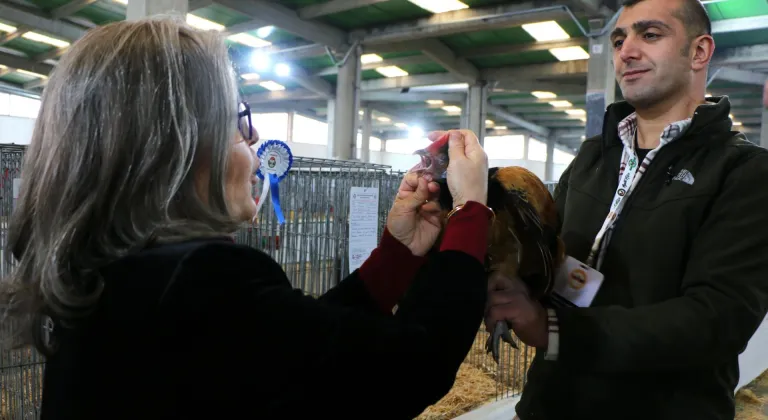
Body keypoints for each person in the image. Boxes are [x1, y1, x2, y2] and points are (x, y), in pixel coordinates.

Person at [0, 17, 495, 420]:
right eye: (240, 123)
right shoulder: (202, 280)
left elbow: (302, 347)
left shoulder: (106, 275)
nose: (254, 141)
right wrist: (470, 213)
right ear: (182, 148)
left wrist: (396, 253)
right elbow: (408, 367)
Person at [484, 0, 768, 419]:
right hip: (551, 402)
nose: (626, 51)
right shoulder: (592, 157)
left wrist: (557, 331)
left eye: (649, 35)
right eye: (619, 40)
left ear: (699, 52)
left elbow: (716, 320)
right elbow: (547, 257)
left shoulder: (743, 172)